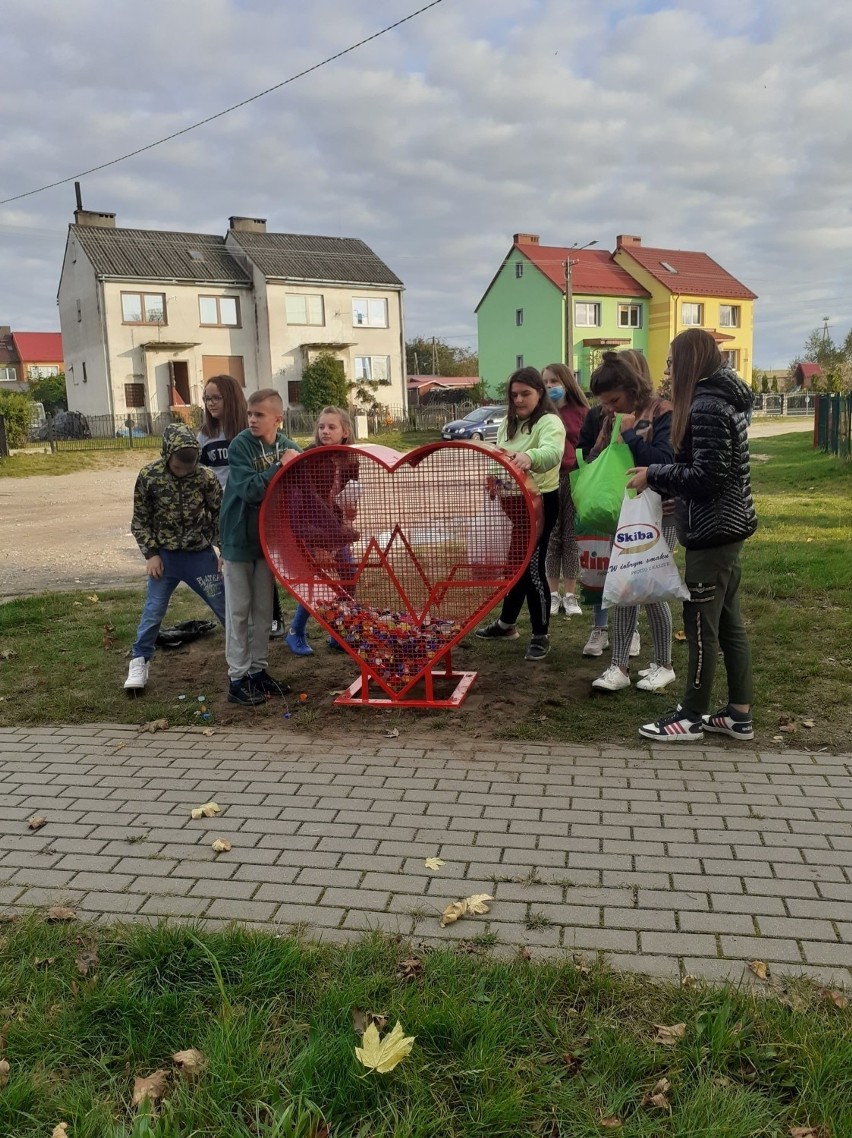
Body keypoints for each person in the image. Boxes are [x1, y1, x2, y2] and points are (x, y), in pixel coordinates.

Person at [627, 329, 757, 742]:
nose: (667, 369)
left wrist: (654, 473)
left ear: (689, 362)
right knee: (729, 623)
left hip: (712, 530)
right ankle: (739, 713)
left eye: (671, 361)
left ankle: (691, 716)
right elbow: (708, 462)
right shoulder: (720, 400)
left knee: (700, 624)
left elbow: (708, 476)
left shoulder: (706, 405)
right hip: (725, 528)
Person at [582, 350, 677, 693]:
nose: (609, 407)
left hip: (660, 513)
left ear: (633, 387)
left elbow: (664, 462)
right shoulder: (613, 416)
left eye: (614, 399)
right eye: (604, 402)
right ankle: (618, 667)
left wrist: (633, 435)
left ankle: (664, 664)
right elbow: (596, 455)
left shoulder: (662, 411)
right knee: (623, 584)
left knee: (648, 587)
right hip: (625, 512)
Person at [124, 424, 226, 692]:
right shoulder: (149, 476)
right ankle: (139, 660)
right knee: (153, 611)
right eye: (179, 467)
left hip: (200, 556)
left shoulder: (206, 477)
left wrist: (224, 550)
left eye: (189, 467)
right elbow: (140, 521)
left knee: (225, 604)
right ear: (167, 454)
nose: (184, 472)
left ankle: (242, 656)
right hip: (165, 560)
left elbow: (219, 516)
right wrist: (151, 554)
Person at [474, 366, 566, 660]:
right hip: (512, 503)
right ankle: (507, 625)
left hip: (539, 504)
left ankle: (540, 635)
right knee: (516, 565)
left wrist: (530, 457)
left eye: (525, 393)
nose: (519, 400)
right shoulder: (508, 423)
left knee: (532, 568)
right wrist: (493, 476)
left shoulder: (549, 422)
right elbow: (499, 455)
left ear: (540, 393)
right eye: (514, 394)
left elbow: (553, 453)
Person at [219, 388, 300, 706]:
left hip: (268, 542)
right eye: (250, 414)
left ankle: (257, 671)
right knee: (239, 611)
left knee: (263, 612)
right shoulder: (240, 446)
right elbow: (250, 490)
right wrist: (279, 467)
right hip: (239, 538)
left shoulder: (289, 447)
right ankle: (237, 678)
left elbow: (300, 492)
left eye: (259, 415)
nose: (251, 420)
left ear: (277, 419)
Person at [198, 374, 287, 639]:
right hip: (223, 507)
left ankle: (273, 617)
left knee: (261, 562)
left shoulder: (247, 432)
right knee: (234, 564)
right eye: (206, 398)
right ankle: (240, 621)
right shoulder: (205, 434)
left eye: (216, 397)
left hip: (251, 501)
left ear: (231, 397)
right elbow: (202, 471)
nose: (210, 403)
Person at [286, 406, 361, 657]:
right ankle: (296, 631)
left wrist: (349, 514)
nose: (325, 432)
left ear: (345, 432)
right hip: (311, 530)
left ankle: (338, 631)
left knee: (349, 574)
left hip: (336, 529)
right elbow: (307, 505)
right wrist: (319, 546)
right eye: (321, 427)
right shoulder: (309, 459)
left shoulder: (350, 459)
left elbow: (348, 498)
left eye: (332, 427)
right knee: (316, 581)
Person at [541, 363, 589, 619]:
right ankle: (552, 594)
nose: (550, 387)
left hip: (573, 477)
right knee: (552, 536)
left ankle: (570, 594)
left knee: (571, 536)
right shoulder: (543, 414)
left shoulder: (581, 411)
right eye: (546, 382)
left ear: (567, 382)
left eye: (554, 382)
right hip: (548, 478)